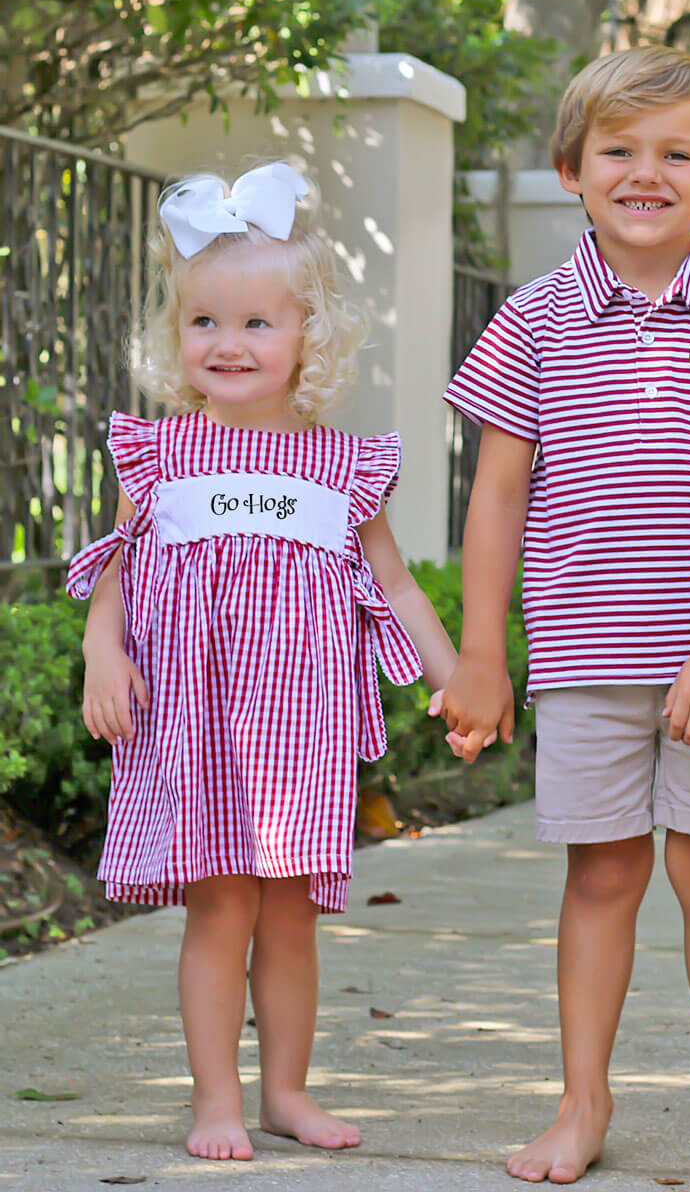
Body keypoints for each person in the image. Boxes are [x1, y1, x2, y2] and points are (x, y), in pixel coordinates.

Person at [438, 47, 690, 1186]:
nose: (647, 174)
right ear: (571, 170)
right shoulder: (533, 321)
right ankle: (581, 1103)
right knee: (599, 877)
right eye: (619, 152)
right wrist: (480, 655)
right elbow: (496, 495)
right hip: (587, 655)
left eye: (677, 154)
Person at [67, 161, 457, 1163]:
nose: (228, 345)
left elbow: (398, 584)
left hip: (299, 725)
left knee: (288, 913)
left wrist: (454, 672)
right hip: (191, 715)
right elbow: (114, 570)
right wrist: (101, 654)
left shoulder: (339, 465)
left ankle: (285, 1090)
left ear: (307, 339)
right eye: (205, 324)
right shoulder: (160, 455)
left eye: (255, 325)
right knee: (221, 904)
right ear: (177, 336)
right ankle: (215, 1099)